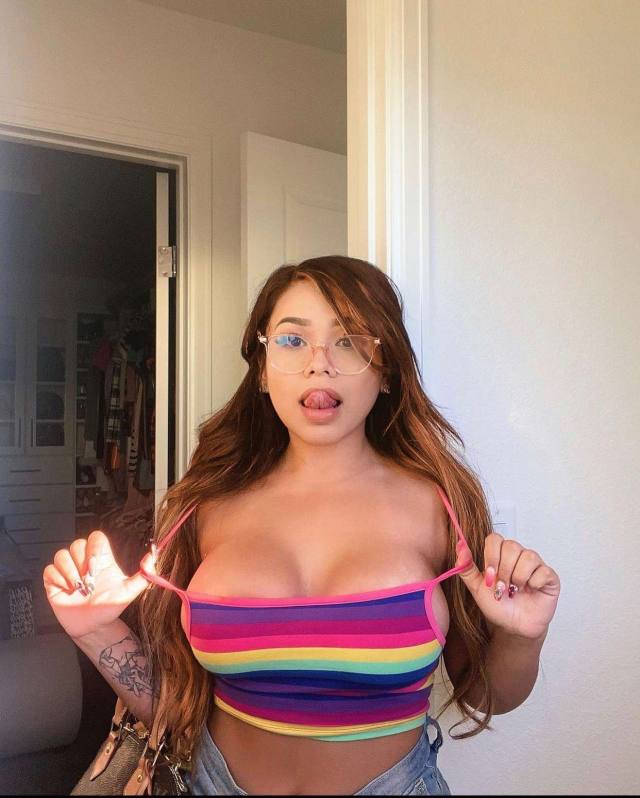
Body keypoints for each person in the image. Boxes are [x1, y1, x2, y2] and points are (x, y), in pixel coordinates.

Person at [44, 256, 561, 795]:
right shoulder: (207, 505)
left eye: (349, 340)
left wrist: (522, 637)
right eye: (293, 340)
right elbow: (176, 711)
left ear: (386, 371)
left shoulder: (441, 507)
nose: (320, 364)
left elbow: (486, 695)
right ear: (262, 370)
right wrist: (94, 630)